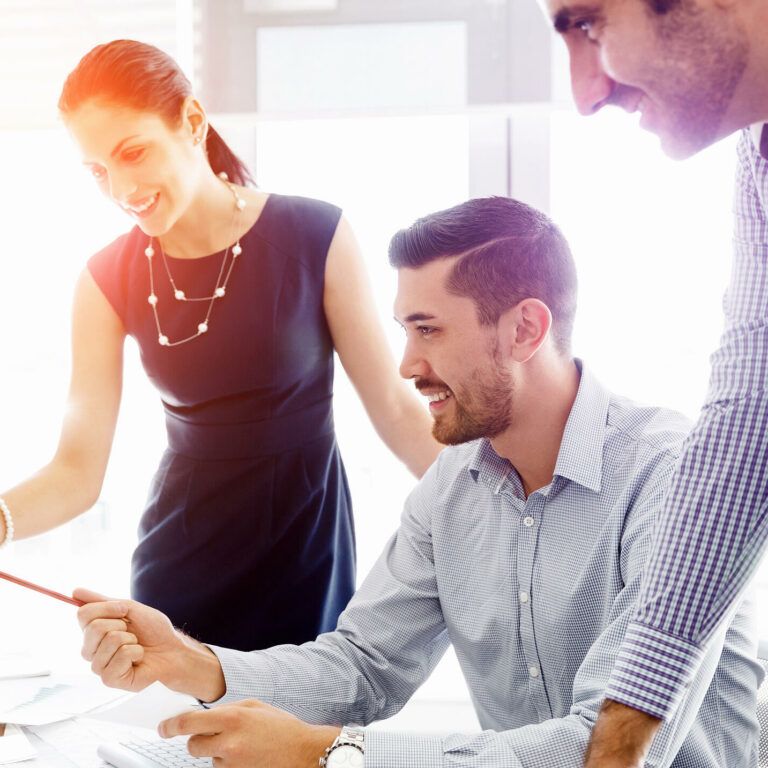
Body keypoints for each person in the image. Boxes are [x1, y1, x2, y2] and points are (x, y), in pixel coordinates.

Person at [75, 198, 761, 768]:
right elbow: (363, 666)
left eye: (428, 331)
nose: (407, 365)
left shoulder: (673, 479)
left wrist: (325, 753)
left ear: (525, 329)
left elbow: (607, 746)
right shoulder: (452, 486)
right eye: (405, 331)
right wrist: (192, 662)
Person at [0, 39, 441, 652]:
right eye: (98, 170)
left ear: (192, 122)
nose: (121, 188)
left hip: (308, 553)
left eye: (133, 153)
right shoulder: (104, 279)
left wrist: (499, 508)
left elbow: (395, 412)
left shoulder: (316, 235)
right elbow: (77, 471)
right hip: (181, 570)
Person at [537, 0, 768, 764]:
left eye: (590, 24)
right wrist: (619, 738)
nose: (585, 92)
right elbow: (747, 417)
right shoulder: (760, 157)